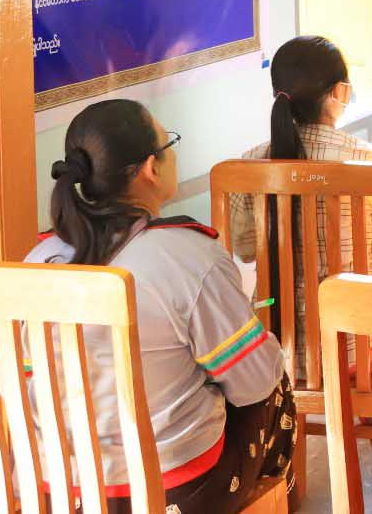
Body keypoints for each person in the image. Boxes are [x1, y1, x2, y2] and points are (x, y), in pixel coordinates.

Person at [24, 100, 294, 513]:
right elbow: (254, 382)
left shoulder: (38, 260)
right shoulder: (187, 256)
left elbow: (19, 380)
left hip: (61, 492)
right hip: (172, 492)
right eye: (170, 144)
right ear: (152, 168)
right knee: (272, 380)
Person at [230, 35, 372, 496]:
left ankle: (287, 469)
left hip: (273, 344)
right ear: (339, 93)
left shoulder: (249, 165)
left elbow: (244, 249)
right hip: (355, 350)